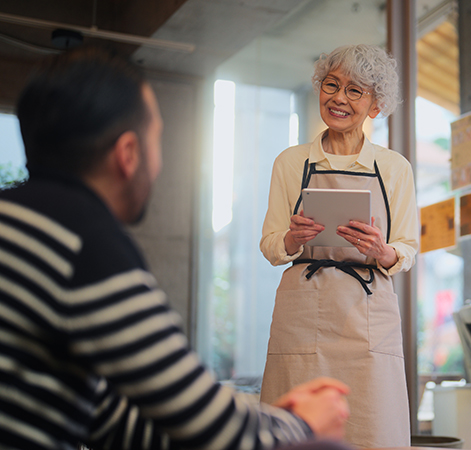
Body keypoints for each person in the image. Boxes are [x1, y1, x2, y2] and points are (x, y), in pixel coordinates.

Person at [0, 46, 351, 450]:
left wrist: (273, 422)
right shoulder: (85, 243)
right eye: (156, 139)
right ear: (128, 154)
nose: (159, 163)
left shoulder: (23, 222)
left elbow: (112, 420)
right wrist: (304, 426)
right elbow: (199, 418)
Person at [258, 44, 419, 449]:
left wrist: (382, 250)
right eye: (331, 85)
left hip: (368, 310)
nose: (339, 98)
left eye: (354, 90)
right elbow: (271, 243)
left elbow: (407, 248)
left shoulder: (394, 168)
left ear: (376, 106)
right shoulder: (291, 162)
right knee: (295, 429)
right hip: (301, 310)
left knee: (373, 427)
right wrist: (293, 238)